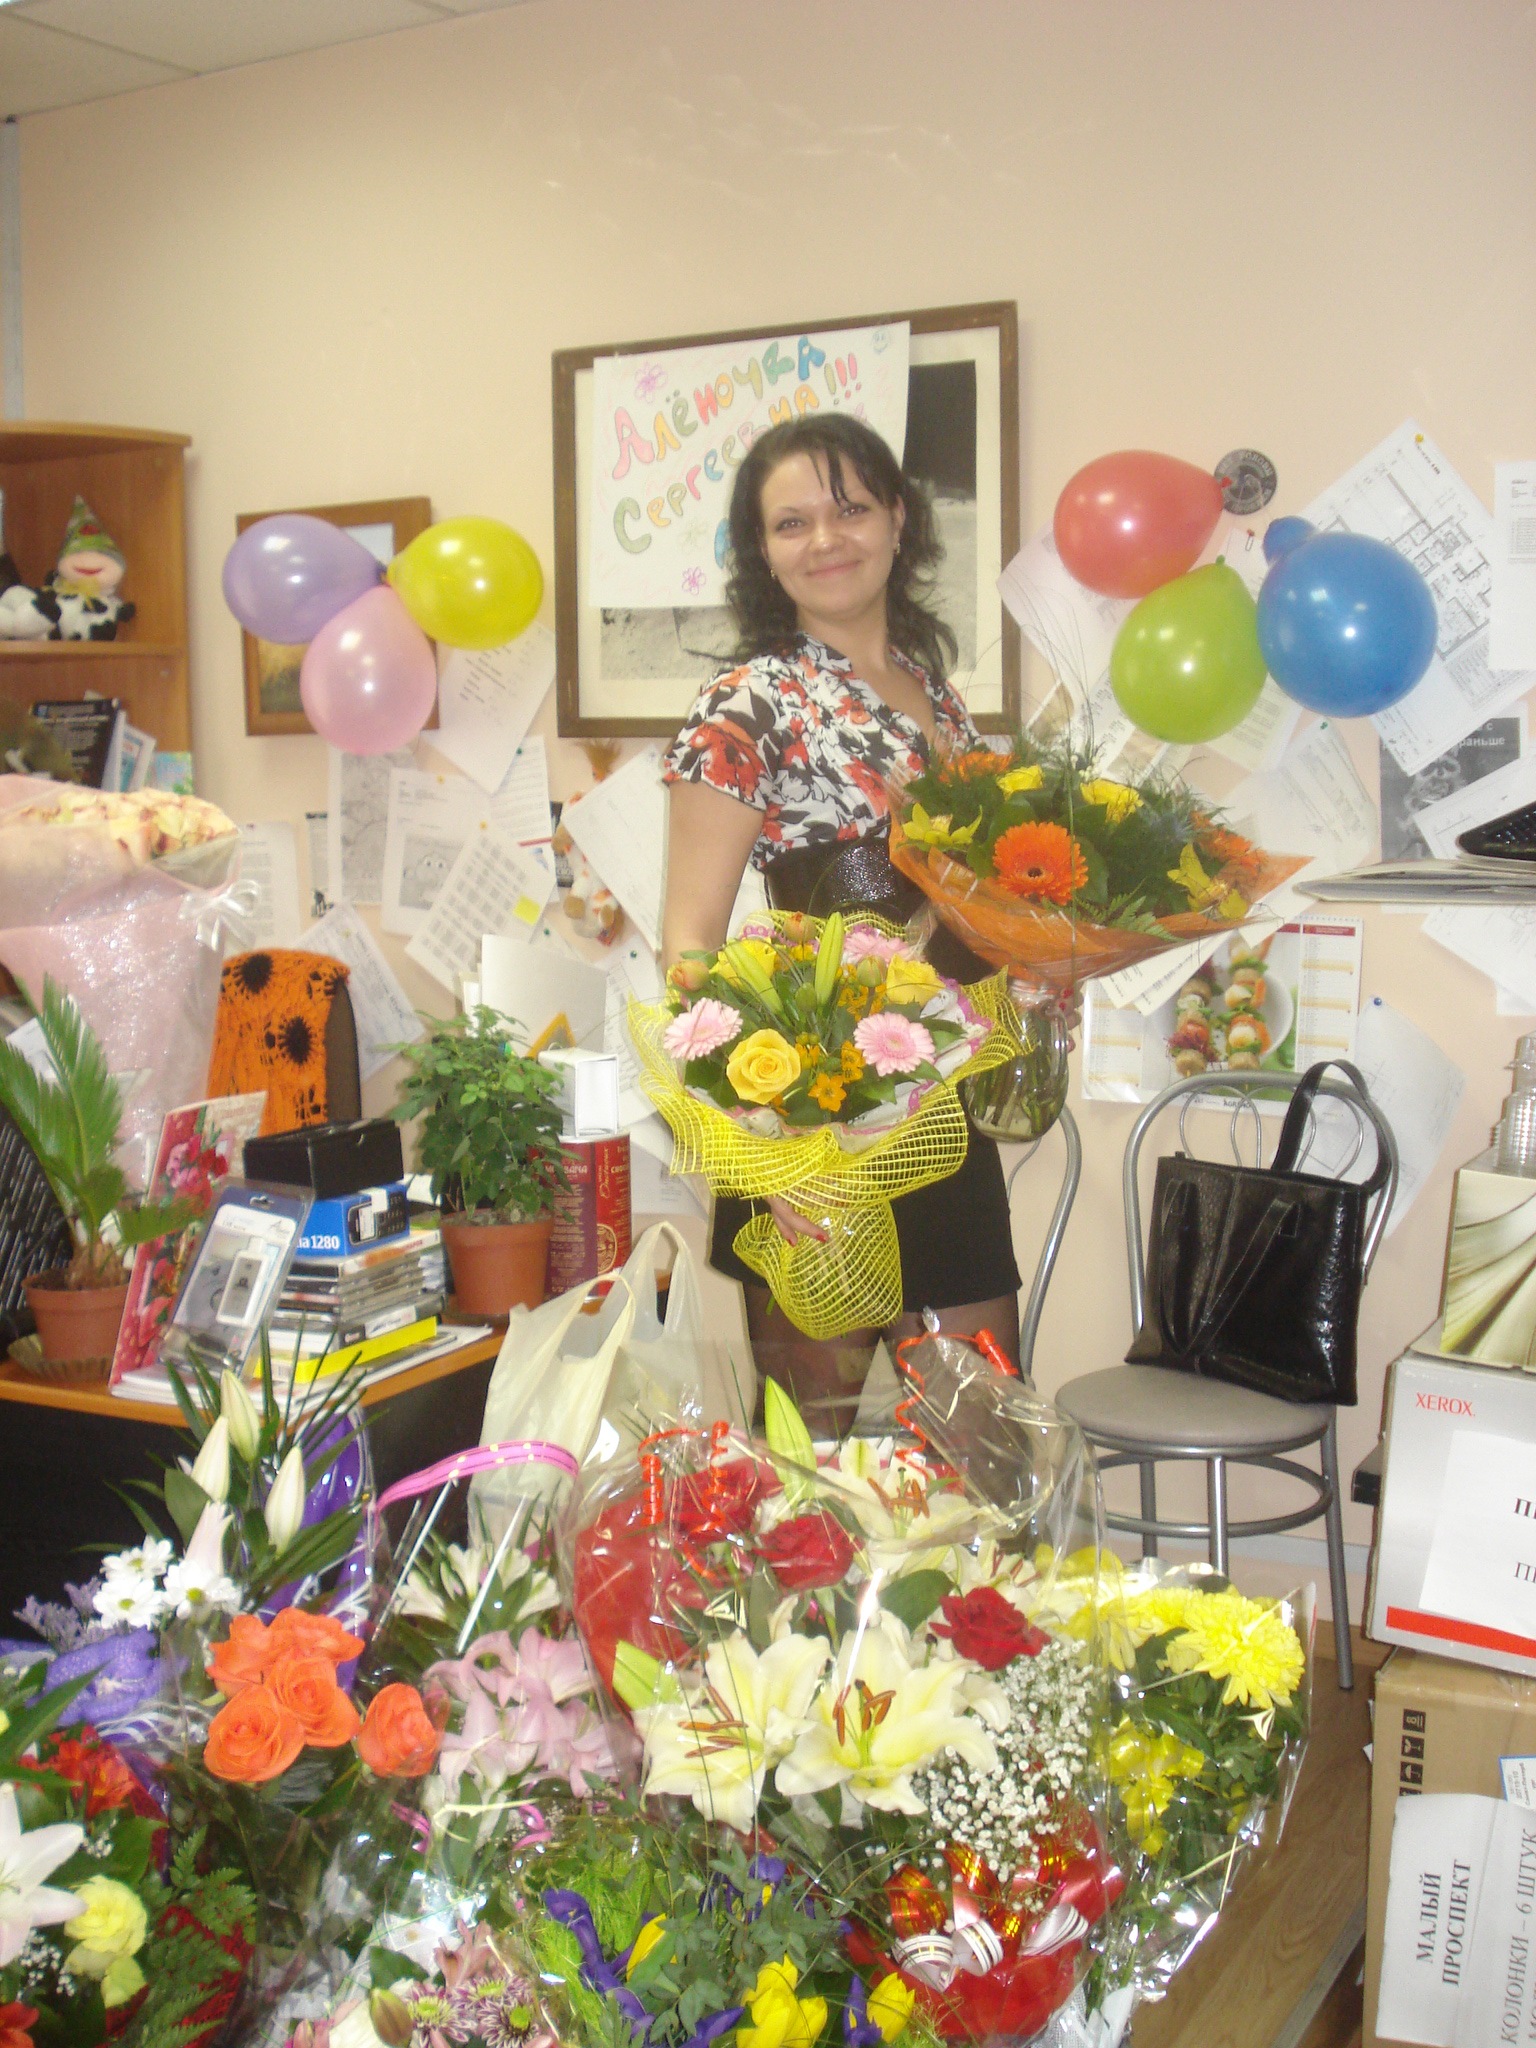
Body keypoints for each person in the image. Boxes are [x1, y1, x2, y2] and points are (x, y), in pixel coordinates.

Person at [661, 412, 1022, 1435]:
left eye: (850, 508)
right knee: (801, 1458)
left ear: (898, 520)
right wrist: (763, 1148)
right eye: (791, 522)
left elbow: (970, 906)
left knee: (985, 1441)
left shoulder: (939, 699)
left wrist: (1040, 973)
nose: (825, 539)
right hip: (815, 1113)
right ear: (763, 551)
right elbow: (688, 941)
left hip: (941, 1111)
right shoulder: (748, 703)